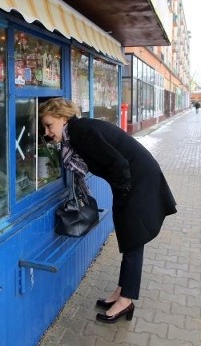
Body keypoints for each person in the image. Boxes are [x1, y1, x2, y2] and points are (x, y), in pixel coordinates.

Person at [38, 98, 177, 324]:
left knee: (133, 238)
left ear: (62, 118)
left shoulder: (81, 132)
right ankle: (122, 291)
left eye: (48, 125)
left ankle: (127, 299)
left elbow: (119, 164)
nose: (47, 132)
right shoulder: (76, 132)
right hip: (133, 179)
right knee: (127, 234)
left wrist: (124, 193)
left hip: (137, 179)